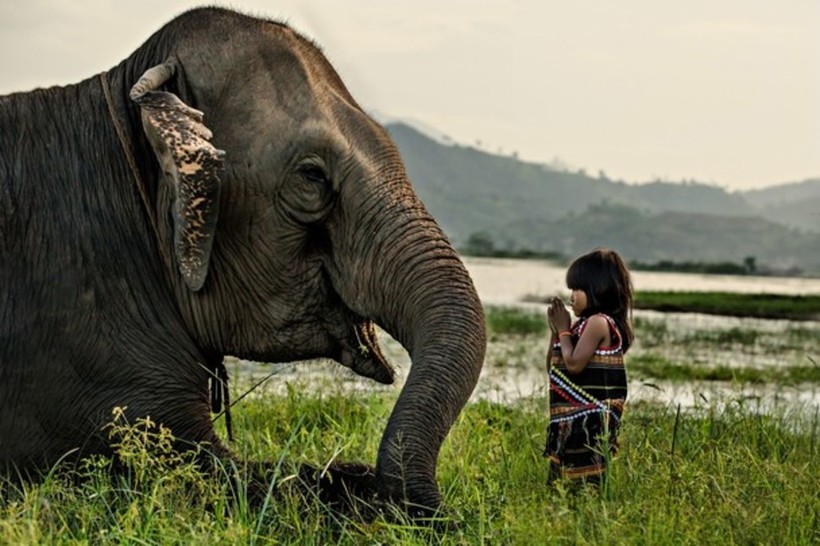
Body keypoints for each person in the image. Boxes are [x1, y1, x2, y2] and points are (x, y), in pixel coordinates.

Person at [544, 247, 634, 488]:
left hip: (588, 422)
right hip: (572, 423)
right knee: (566, 486)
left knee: (585, 484)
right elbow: (555, 368)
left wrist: (564, 329)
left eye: (578, 289)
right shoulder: (582, 326)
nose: (572, 296)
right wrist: (557, 333)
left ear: (598, 289)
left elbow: (573, 365)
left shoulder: (598, 323)